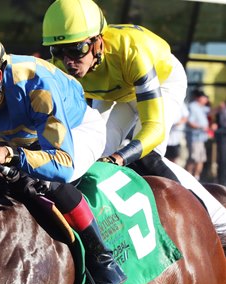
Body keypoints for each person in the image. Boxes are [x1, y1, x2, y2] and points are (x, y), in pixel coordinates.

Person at [0, 23, 126, 284]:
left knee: (49, 180)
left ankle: (102, 258)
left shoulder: (34, 83)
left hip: (74, 131)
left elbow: (62, 162)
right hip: (16, 135)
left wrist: (9, 154)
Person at [42, 0, 226, 237]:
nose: (68, 61)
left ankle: (218, 220)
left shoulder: (131, 51)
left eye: (77, 49)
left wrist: (121, 157)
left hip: (162, 81)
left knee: (146, 155)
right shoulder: (57, 66)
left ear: (99, 41)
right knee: (93, 154)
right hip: (116, 93)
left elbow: (154, 129)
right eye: (59, 51)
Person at [185, 89, 210, 180]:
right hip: (194, 138)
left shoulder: (202, 108)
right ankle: (188, 178)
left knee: (201, 159)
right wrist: (200, 127)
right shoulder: (192, 106)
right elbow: (189, 122)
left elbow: (211, 111)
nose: (206, 99)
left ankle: (196, 177)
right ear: (199, 97)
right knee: (193, 158)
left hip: (201, 138)